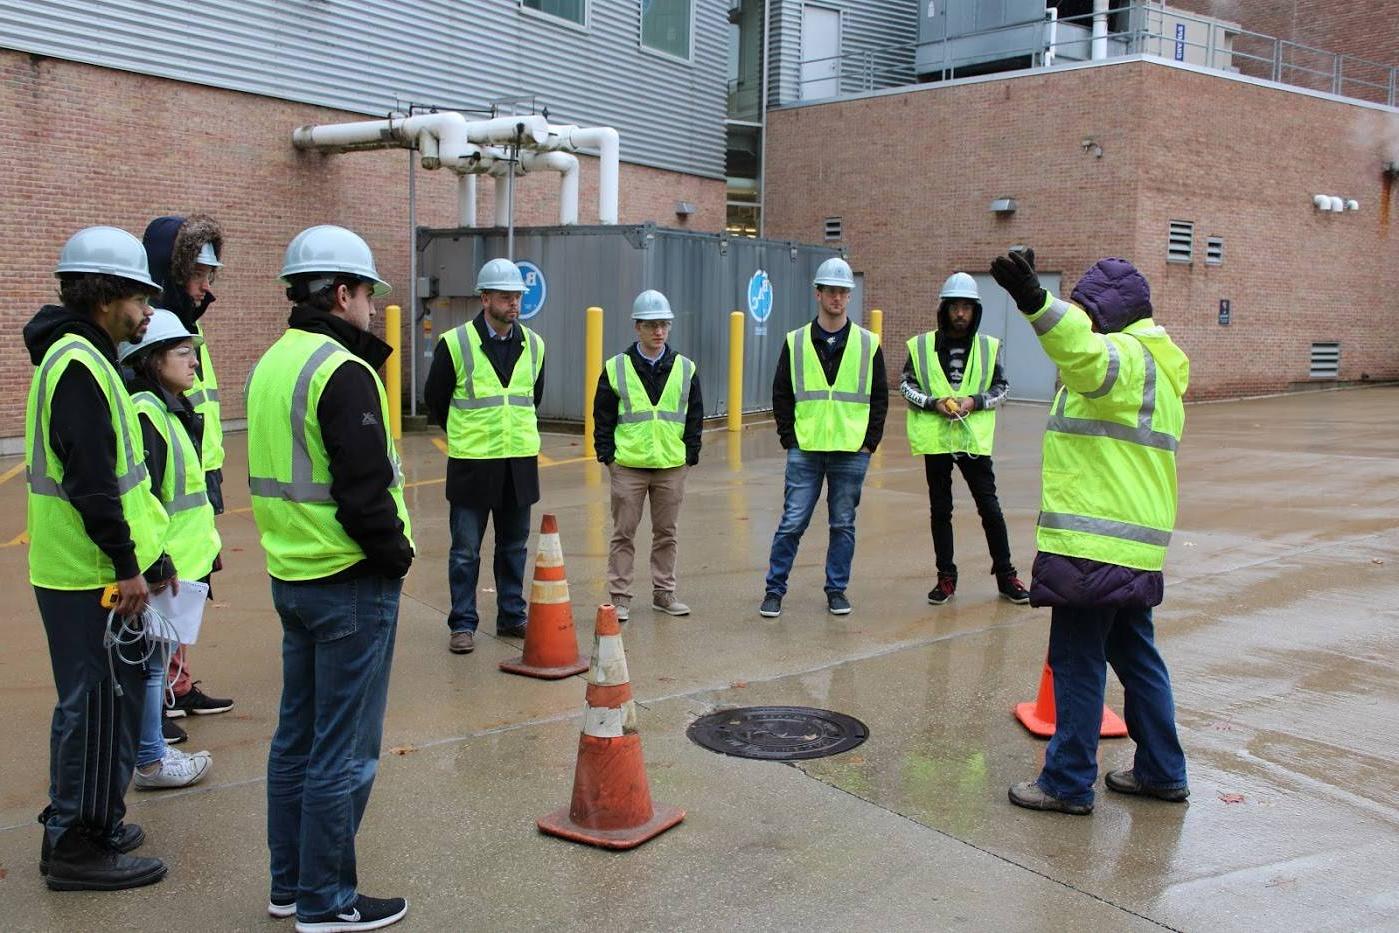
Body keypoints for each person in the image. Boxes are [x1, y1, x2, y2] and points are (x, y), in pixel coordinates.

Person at [247, 225, 413, 929]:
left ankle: (290, 885)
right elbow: (364, 489)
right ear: (340, 292)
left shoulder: (272, 363)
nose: (372, 308)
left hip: (294, 574)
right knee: (342, 751)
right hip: (349, 581)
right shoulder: (342, 370)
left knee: (298, 739)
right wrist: (395, 555)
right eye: (367, 293)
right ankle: (325, 899)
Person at [990, 249, 1190, 815]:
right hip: (1132, 544)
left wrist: (1034, 302)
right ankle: (1161, 770)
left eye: (1087, 312)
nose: (1083, 322)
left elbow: (1082, 351)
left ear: (1106, 315)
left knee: (1077, 660)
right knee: (1136, 656)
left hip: (1092, 546)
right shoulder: (1157, 364)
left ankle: (1068, 780)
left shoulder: (1123, 358)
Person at [25, 226, 175, 890]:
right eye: (140, 298)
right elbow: (90, 481)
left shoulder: (84, 357)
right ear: (106, 294)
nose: (147, 313)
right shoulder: (79, 365)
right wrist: (124, 565)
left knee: (105, 705)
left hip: (86, 569)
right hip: (86, 573)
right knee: (92, 706)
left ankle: (95, 817)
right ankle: (75, 846)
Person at [118, 308, 218, 791]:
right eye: (183, 353)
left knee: (154, 664)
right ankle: (152, 760)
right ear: (154, 360)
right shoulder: (148, 412)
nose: (193, 362)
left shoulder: (165, 409)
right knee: (151, 669)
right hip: (163, 566)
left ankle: (149, 754)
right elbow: (145, 498)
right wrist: (155, 560)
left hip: (174, 563)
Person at [424, 257, 545, 655]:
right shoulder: (455, 343)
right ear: (485, 298)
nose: (514, 303)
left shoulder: (535, 344)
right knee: (464, 552)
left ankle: (512, 616)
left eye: (518, 297)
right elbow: (436, 403)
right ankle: (463, 623)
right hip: (473, 464)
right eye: (506, 297)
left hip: (519, 464)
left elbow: (533, 398)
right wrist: (468, 435)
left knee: (514, 548)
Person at [142, 214, 233, 729]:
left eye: (210, 276)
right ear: (172, 272)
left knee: (194, 578)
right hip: (175, 472)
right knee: (168, 582)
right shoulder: (157, 328)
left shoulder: (186, 323)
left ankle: (176, 684)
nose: (205, 286)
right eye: (199, 274)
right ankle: (159, 696)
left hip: (199, 470)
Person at [760, 257, 887, 619]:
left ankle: (836, 590)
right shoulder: (796, 341)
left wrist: (868, 443)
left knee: (842, 523)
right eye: (831, 291)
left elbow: (879, 397)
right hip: (806, 449)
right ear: (818, 294)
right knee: (792, 522)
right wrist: (790, 438)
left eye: (843, 292)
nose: (837, 298)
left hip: (850, 450)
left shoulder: (867, 344)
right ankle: (774, 590)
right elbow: (781, 392)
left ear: (849, 296)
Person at [900, 272, 1029, 606]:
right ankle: (946, 578)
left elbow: (1003, 388)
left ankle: (1006, 576)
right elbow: (906, 386)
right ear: (945, 309)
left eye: (966, 307)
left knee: (990, 508)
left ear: (975, 311)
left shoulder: (988, 347)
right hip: (938, 441)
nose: (960, 313)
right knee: (940, 511)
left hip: (972, 440)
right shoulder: (922, 346)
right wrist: (933, 403)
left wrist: (975, 401)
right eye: (954, 306)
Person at [592, 289, 703, 621]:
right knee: (623, 533)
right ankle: (620, 597)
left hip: (671, 465)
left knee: (667, 533)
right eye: (652, 325)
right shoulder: (616, 368)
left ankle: (663, 593)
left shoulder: (685, 368)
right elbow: (602, 417)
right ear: (637, 327)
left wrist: (689, 456)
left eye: (664, 325)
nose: (659, 332)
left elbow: (695, 416)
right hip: (628, 466)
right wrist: (608, 457)